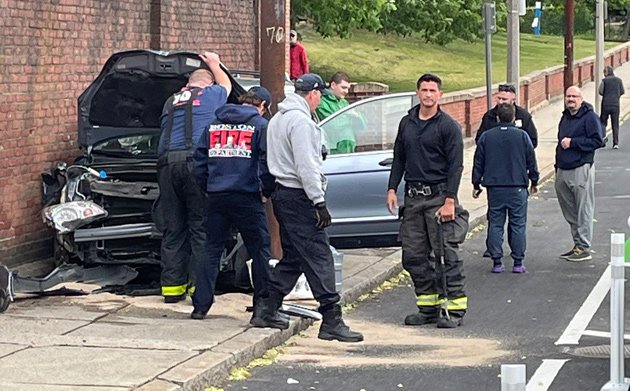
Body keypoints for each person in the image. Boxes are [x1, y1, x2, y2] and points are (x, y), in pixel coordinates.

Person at [251, 73, 364, 343]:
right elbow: (306, 166)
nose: (319, 100)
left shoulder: (278, 119)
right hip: (299, 196)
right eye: (319, 96)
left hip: (282, 194)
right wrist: (319, 202)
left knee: (294, 257)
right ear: (312, 94)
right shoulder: (301, 122)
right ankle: (332, 319)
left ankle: (266, 307)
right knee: (319, 255)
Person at [386, 73, 469, 329]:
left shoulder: (448, 126)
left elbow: (456, 166)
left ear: (440, 94)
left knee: (446, 254)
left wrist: (450, 200)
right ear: (418, 92)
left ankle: (453, 309)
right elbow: (398, 157)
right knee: (413, 255)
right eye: (424, 90)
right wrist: (391, 188)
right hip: (413, 198)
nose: (428, 95)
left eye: (433, 90)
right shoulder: (407, 123)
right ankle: (428, 307)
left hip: (439, 197)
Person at [189, 87, 275, 320]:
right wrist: (266, 191)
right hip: (247, 196)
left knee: (212, 248)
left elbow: (199, 161)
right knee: (259, 250)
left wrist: (208, 187)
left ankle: (200, 306)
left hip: (217, 195)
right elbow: (267, 163)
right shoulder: (260, 126)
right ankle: (262, 307)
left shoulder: (214, 124)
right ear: (262, 106)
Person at [155, 52, 232, 303]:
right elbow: (226, 86)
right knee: (200, 227)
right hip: (194, 164)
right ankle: (199, 288)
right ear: (206, 84)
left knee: (173, 228)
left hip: (166, 166)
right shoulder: (211, 95)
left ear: (186, 85)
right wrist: (214, 63)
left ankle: (171, 290)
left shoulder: (170, 100)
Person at [472, 103, 540, 274]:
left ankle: (497, 261)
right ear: (514, 117)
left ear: (497, 117)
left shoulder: (487, 137)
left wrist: (476, 183)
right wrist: (534, 180)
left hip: (495, 188)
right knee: (518, 224)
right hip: (517, 186)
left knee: (495, 224)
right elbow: (531, 160)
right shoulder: (522, 136)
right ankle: (518, 261)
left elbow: (478, 162)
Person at [555, 86, 604, 262]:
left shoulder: (590, 117)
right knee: (569, 210)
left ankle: (584, 246)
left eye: (574, 96)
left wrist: (574, 142)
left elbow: (598, 140)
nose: (570, 99)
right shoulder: (565, 117)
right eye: (568, 96)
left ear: (581, 98)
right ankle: (577, 244)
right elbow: (559, 143)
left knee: (583, 209)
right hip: (562, 169)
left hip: (580, 168)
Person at [475, 83, 538, 148]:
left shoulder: (524, 116)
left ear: (513, 100)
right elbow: (480, 139)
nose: (500, 102)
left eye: (504, 99)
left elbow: (533, 141)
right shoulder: (489, 116)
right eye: (499, 98)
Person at [315, 71, 358, 154]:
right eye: (343, 87)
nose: (347, 91)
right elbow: (332, 124)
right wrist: (350, 117)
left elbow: (361, 125)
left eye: (348, 88)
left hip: (349, 147)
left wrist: (356, 116)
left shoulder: (344, 102)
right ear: (333, 85)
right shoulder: (322, 102)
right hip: (334, 148)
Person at [599, 65, 625, 149]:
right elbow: (622, 91)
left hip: (605, 104)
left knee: (603, 123)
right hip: (615, 105)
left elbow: (600, 91)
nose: (604, 74)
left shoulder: (604, 81)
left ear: (606, 73)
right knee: (615, 124)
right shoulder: (619, 80)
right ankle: (615, 143)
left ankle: (603, 139)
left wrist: (606, 95)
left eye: (604, 72)